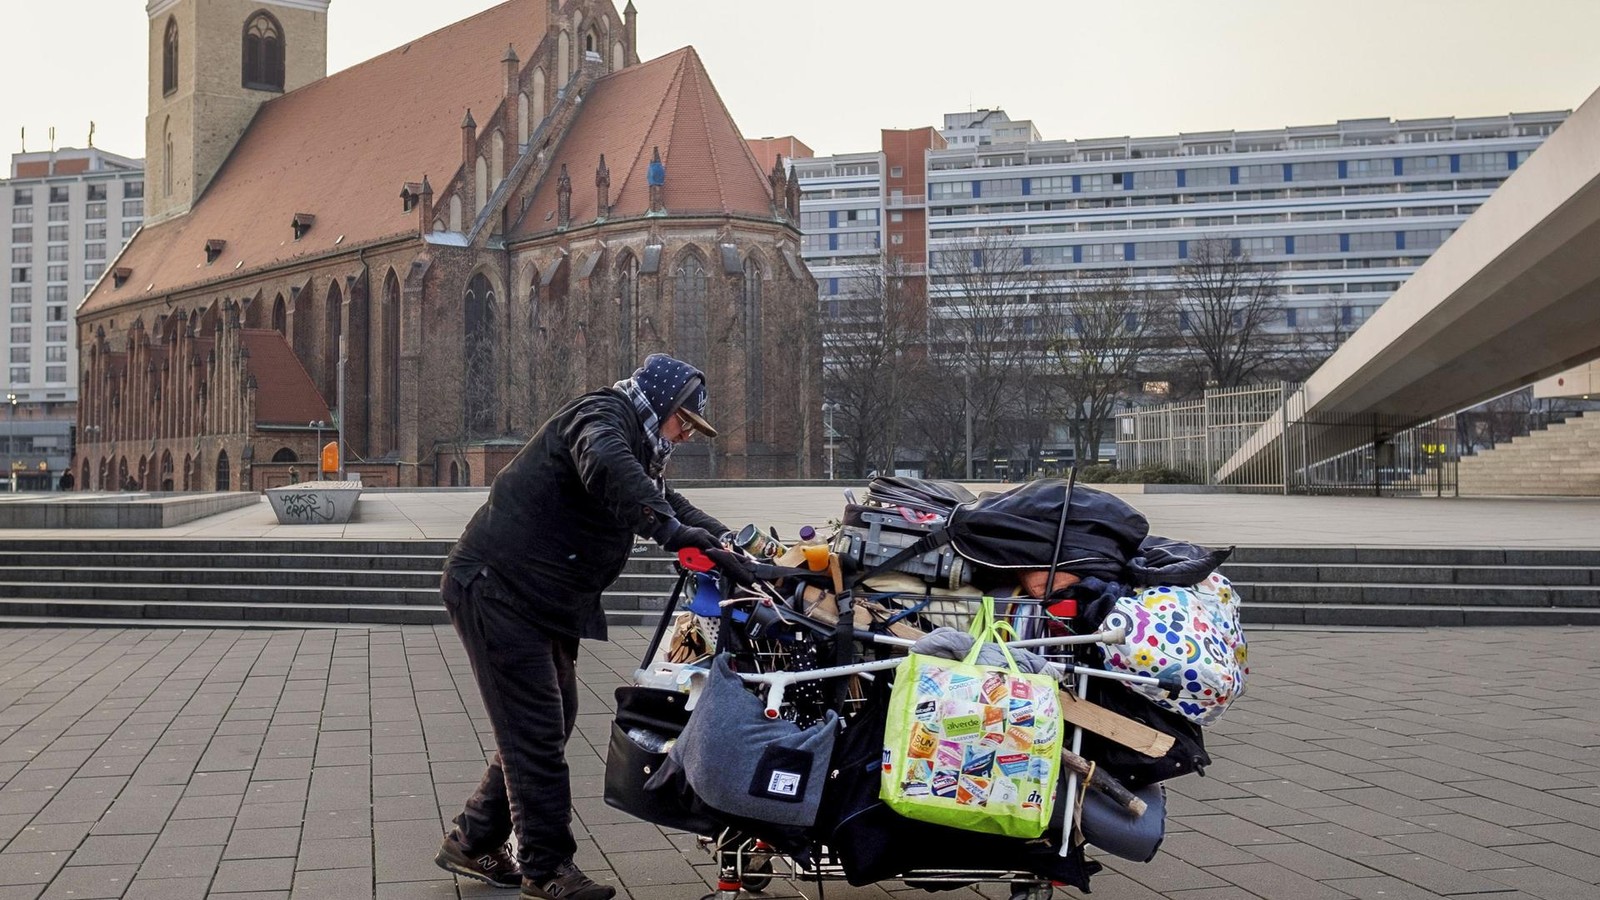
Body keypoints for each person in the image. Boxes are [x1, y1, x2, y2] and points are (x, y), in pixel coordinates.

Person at [434, 354, 748, 900]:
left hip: (537, 598)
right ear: (662, 401)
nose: (684, 434)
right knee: (534, 730)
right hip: (497, 588)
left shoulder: (638, 444)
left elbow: (666, 500)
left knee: (548, 720)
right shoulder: (602, 415)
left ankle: (472, 840)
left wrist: (729, 544)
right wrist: (672, 535)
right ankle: (546, 868)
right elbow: (606, 465)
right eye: (683, 421)